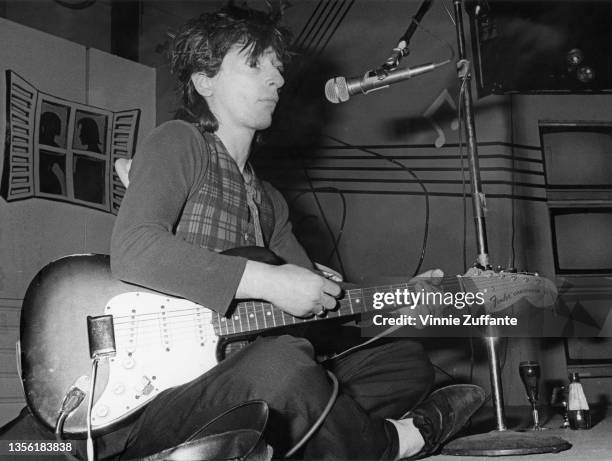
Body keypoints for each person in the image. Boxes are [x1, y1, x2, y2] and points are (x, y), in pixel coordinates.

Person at [111, 3, 484, 460]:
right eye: (255, 64)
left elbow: (323, 303)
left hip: (250, 377)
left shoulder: (269, 200)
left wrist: (400, 301)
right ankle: (391, 442)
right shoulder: (178, 141)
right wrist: (268, 280)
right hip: (169, 395)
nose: (278, 79)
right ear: (205, 80)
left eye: (277, 67)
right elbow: (132, 250)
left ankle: (284, 439)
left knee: (403, 364)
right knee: (284, 365)